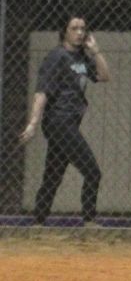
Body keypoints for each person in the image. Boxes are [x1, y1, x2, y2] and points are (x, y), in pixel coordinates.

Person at [19, 15, 110, 226]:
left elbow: (105, 76)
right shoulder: (57, 57)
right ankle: (89, 220)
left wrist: (95, 50)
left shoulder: (83, 58)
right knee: (92, 171)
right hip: (59, 122)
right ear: (65, 31)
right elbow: (42, 92)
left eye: (82, 29)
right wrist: (33, 123)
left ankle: (38, 222)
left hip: (69, 123)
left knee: (53, 174)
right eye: (74, 28)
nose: (79, 32)